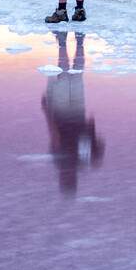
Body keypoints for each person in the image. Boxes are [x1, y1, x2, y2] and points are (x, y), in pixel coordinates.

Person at [41, 31, 104, 196]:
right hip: (62, 112)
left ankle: (79, 42)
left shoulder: (81, 162)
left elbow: (94, 142)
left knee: (77, 73)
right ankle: (63, 42)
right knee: (64, 73)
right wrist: (46, 110)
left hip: (77, 112)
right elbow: (55, 135)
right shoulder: (68, 161)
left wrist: (90, 127)